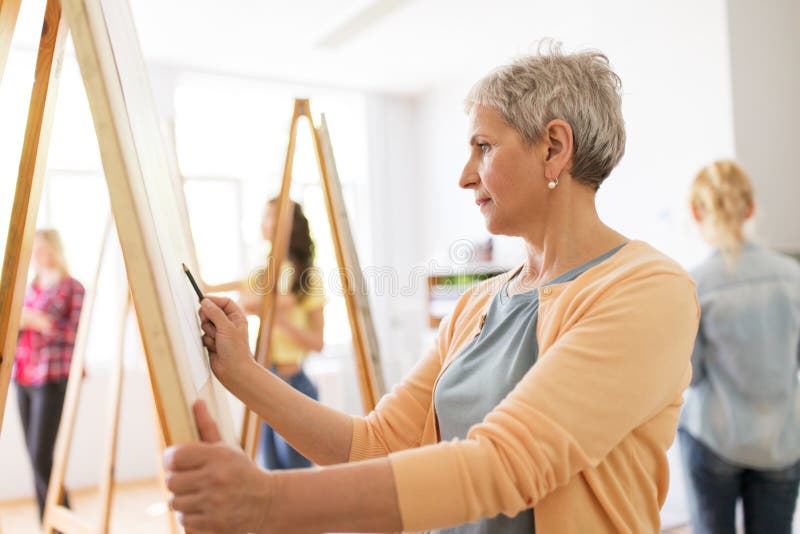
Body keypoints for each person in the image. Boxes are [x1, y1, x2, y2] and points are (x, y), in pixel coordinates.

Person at [164, 43, 700, 533]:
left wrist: (266, 501)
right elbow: (373, 446)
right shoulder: (478, 304)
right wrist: (240, 370)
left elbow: (507, 463)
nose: (465, 176)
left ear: (554, 148)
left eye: (484, 147)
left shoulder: (648, 291)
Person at [678, 160, 800, 534]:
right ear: (750, 208)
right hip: (781, 440)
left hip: (715, 440)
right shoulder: (793, 276)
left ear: (697, 212)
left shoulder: (694, 284)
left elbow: (692, 375)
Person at [239, 198, 325, 470]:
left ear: (290, 227)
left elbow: (317, 342)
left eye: (271, 218)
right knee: (270, 475)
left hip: (293, 384)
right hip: (264, 380)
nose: (264, 224)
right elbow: (247, 302)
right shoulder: (263, 269)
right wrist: (272, 304)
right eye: (264, 217)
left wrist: (278, 317)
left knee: (299, 478)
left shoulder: (307, 276)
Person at [14, 229, 84, 521]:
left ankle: (62, 516)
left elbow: (75, 334)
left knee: (42, 455)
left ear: (55, 249)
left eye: (42, 248)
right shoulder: (28, 288)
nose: (37, 255)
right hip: (23, 376)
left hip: (53, 378)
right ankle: (48, 521)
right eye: (34, 249)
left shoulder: (73, 288)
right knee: (34, 456)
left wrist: (41, 322)